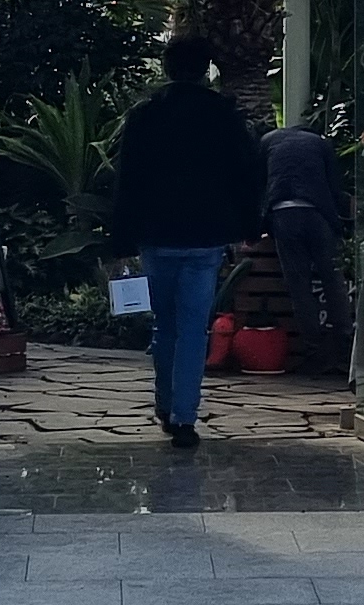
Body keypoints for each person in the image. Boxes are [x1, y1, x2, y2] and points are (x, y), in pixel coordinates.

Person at [106, 31, 263, 448]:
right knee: (195, 327)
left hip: (156, 234)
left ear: (167, 67)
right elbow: (246, 175)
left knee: (166, 324)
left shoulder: (145, 115)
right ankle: (184, 416)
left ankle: (165, 401)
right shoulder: (223, 115)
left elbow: (128, 181)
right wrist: (250, 226)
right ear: (206, 69)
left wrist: (121, 240)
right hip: (206, 235)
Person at [260, 112, 350, 365]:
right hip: (316, 214)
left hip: (283, 214)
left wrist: (258, 226)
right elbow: (334, 188)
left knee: (299, 285)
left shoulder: (268, 141)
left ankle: (313, 351)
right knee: (332, 279)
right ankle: (344, 347)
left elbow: (260, 185)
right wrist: (341, 226)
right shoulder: (320, 143)